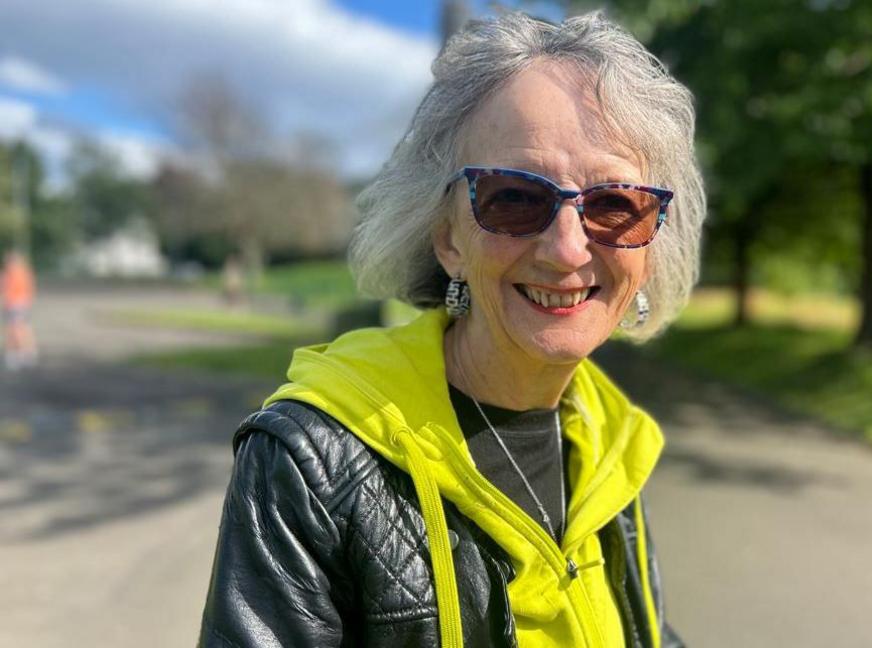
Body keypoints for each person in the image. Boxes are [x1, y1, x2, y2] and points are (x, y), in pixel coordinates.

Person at [200, 11, 705, 648]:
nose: (569, 250)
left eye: (614, 205)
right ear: (447, 240)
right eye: (515, 199)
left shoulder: (610, 441)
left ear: (649, 242)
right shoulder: (310, 462)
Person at [2, 249, 38, 370]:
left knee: (16, 329)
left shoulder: (13, 273)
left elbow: (6, 288)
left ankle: (19, 354)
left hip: (16, 304)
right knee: (23, 328)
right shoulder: (24, 272)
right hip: (21, 304)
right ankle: (27, 353)